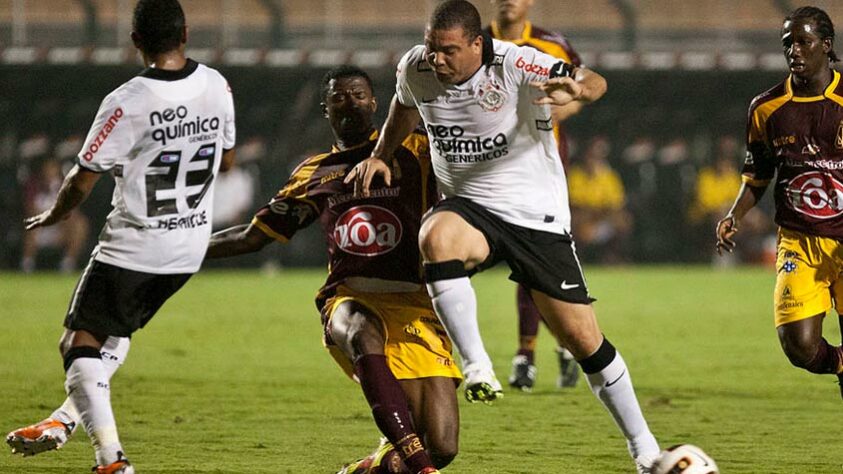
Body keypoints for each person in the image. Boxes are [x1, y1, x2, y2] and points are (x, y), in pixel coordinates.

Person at [346, 1, 660, 471]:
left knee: (584, 341)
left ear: (478, 44)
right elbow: (403, 108)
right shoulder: (416, 66)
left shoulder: (514, 62)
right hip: (471, 209)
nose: (438, 59)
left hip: (536, 217)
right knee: (436, 235)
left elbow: (596, 80)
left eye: (449, 51)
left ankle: (645, 448)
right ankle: (478, 366)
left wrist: (576, 87)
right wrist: (381, 154)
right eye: (433, 49)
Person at [5, 1, 236, 472]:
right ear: (185, 32)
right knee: (116, 328)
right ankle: (65, 419)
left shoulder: (127, 100)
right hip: (189, 246)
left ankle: (111, 459)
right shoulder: (216, 84)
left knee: (78, 342)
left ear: (135, 41)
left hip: (136, 244)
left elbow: (80, 179)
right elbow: (226, 161)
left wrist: (53, 214)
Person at [205, 65, 461, 474]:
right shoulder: (315, 172)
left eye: (358, 95)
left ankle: (374, 467)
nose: (349, 103)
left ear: (376, 103)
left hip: (415, 300)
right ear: (326, 109)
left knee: (443, 446)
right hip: (350, 296)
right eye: (338, 97)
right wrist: (180, 250)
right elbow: (255, 236)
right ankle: (419, 465)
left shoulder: (416, 149)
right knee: (360, 329)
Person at [716, 6, 843, 399]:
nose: (795, 51)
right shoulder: (766, 108)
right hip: (799, 241)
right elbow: (758, 174)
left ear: (826, 45)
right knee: (800, 347)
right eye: (788, 43)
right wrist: (734, 214)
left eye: (803, 42)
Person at [486, 0, 582, 392]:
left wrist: (563, 107)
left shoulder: (552, 45)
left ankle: (529, 355)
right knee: (525, 265)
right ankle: (562, 346)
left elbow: (581, 88)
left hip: (542, 174)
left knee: (537, 266)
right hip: (488, 172)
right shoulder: (473, 44)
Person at [567, 135, 632, 264]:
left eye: (598, 157)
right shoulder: (576, 175)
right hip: (584, 218)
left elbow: (617, 202)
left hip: (604, 217)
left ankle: (613, 257)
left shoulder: (609, 175)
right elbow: (575, 203)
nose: (594, 160)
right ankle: (576, 259)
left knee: (623, 219)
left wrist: (602, 212)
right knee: (577, 217)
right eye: (591, 156)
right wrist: (596, 211)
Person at [20, 156, 90, 273]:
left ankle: (67, 264)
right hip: (40, 229)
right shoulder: (34, 186)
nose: (50, 171)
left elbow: (73, 211)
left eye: (53, 168)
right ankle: (27, 264)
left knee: (80, 224)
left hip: (59, 229)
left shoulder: (65, 186)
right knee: (31, 225)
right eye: (47, 168)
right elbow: (30, 210)